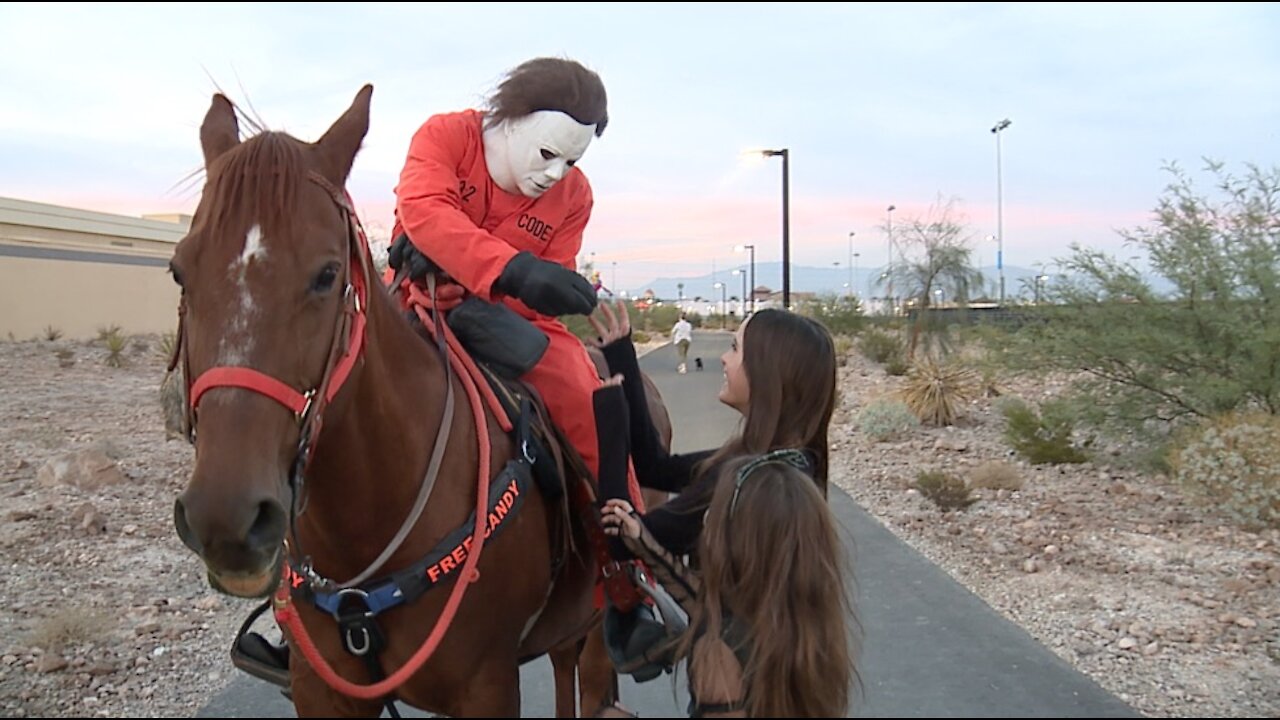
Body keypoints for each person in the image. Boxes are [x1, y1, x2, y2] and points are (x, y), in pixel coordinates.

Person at [386, 56, 647, 519]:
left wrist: (536, 284)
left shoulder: (575, 196)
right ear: (509, 124)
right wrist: (513, 269)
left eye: (571, 162)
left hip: (505, 320)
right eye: (548, 154)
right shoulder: (445, 136)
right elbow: (425, 210)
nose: (555, 173)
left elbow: (548, 283)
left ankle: (627, 552)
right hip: (410, 302)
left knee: (585, 396)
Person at [596, 445, 856, 717]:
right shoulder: (800, 620)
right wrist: (643, 543)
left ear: (740, 545)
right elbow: (701, 602)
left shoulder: (721, 653)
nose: (706, 524)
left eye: (713, 516)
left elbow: (712, 619)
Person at [587, 300, 838, 559]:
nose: (723, 358)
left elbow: (624, 542)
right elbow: (654, 468)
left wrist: (611, 418)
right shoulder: (784, 460)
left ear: (765, 372)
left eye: (735, 348)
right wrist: (622, 360)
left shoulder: (747, 481)